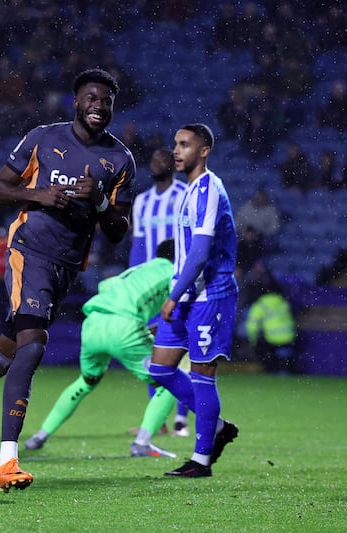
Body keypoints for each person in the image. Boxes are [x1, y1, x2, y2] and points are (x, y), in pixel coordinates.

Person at [0, 68, 135, 493]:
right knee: (33, 348)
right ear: (76, 101)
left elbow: (117, 230)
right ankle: (7, 461)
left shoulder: (121, 160)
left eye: (106, 100)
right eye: (92, 98)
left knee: (7, 353)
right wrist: (37, 195)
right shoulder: (43, 137)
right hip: (27, 252)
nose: (99, 105)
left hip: (66, 266)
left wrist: (99, 200)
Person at [23, 239, 178, 458]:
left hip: (93, 323)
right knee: (169, 382)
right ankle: (142, 443)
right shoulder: (174, 272)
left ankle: (38, 436)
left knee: (86, 382)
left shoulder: (136, 271)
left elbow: (107, 286)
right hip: (123, 326)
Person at [147, 124, 239, 478]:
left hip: (210, 296)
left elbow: (199, 254)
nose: (176, 150)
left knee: (202, 374)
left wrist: (171, 297)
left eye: (184, 145)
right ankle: (216, 428)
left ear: (204, 150)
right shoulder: (187, 190)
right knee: (159, 369)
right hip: (185, 296)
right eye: (175, 144)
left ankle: (201, 460)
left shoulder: (210, 190)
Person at [128, 147, 191, 437]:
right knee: (151, 353)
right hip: (151, 288)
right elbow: (138, 247)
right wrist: (133, 281)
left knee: (177, 349)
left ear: (173, 165)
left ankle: (181, 417)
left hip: (178, 284)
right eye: (153, 159)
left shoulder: (184, 195)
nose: (157, 163)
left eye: (163, 159)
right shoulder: (141, 202)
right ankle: (161, 421)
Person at [244, 288, 298, 374]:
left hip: (273, 337)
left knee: (264, 351)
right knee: (286, 354)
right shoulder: (282, 301)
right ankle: (286, 370)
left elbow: (252, 325)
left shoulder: (260, 304)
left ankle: (271, 371)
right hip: (289, 336)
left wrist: (252, 340)